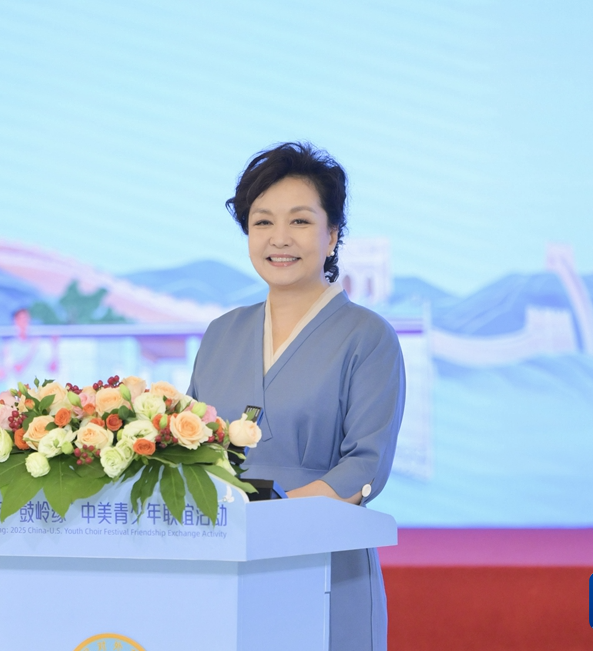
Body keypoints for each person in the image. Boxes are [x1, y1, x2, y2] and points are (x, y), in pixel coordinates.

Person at [187, 142, 405, 651]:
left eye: (300, 221)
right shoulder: (221, 333)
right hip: (224, 563)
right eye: (262, 222)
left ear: (332, 235)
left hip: (323, 559)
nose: (279, 238)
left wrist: (267, 519)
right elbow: (192, 453)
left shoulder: (368, 336)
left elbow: (365, 465)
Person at [2, 308, 58, 387]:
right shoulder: (10, 346)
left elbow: (53, 368)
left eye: (26, 319)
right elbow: (17, 370)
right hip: (24, 391)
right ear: (15, 321)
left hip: (42, 389)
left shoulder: (39, 343)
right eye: (22, 319)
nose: (25, 322)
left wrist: (54, 347)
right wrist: (33, 349)